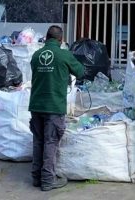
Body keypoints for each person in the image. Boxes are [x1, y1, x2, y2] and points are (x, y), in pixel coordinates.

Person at [29, 25, 84, 191]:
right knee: (51, 143)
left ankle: (36, 178)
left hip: (36, 106)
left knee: (38, 141)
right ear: (61, 40)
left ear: (46, 38)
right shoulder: (64, 54)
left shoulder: (36, 55)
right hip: (53, 106)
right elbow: (80, 72)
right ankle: (47, 181)